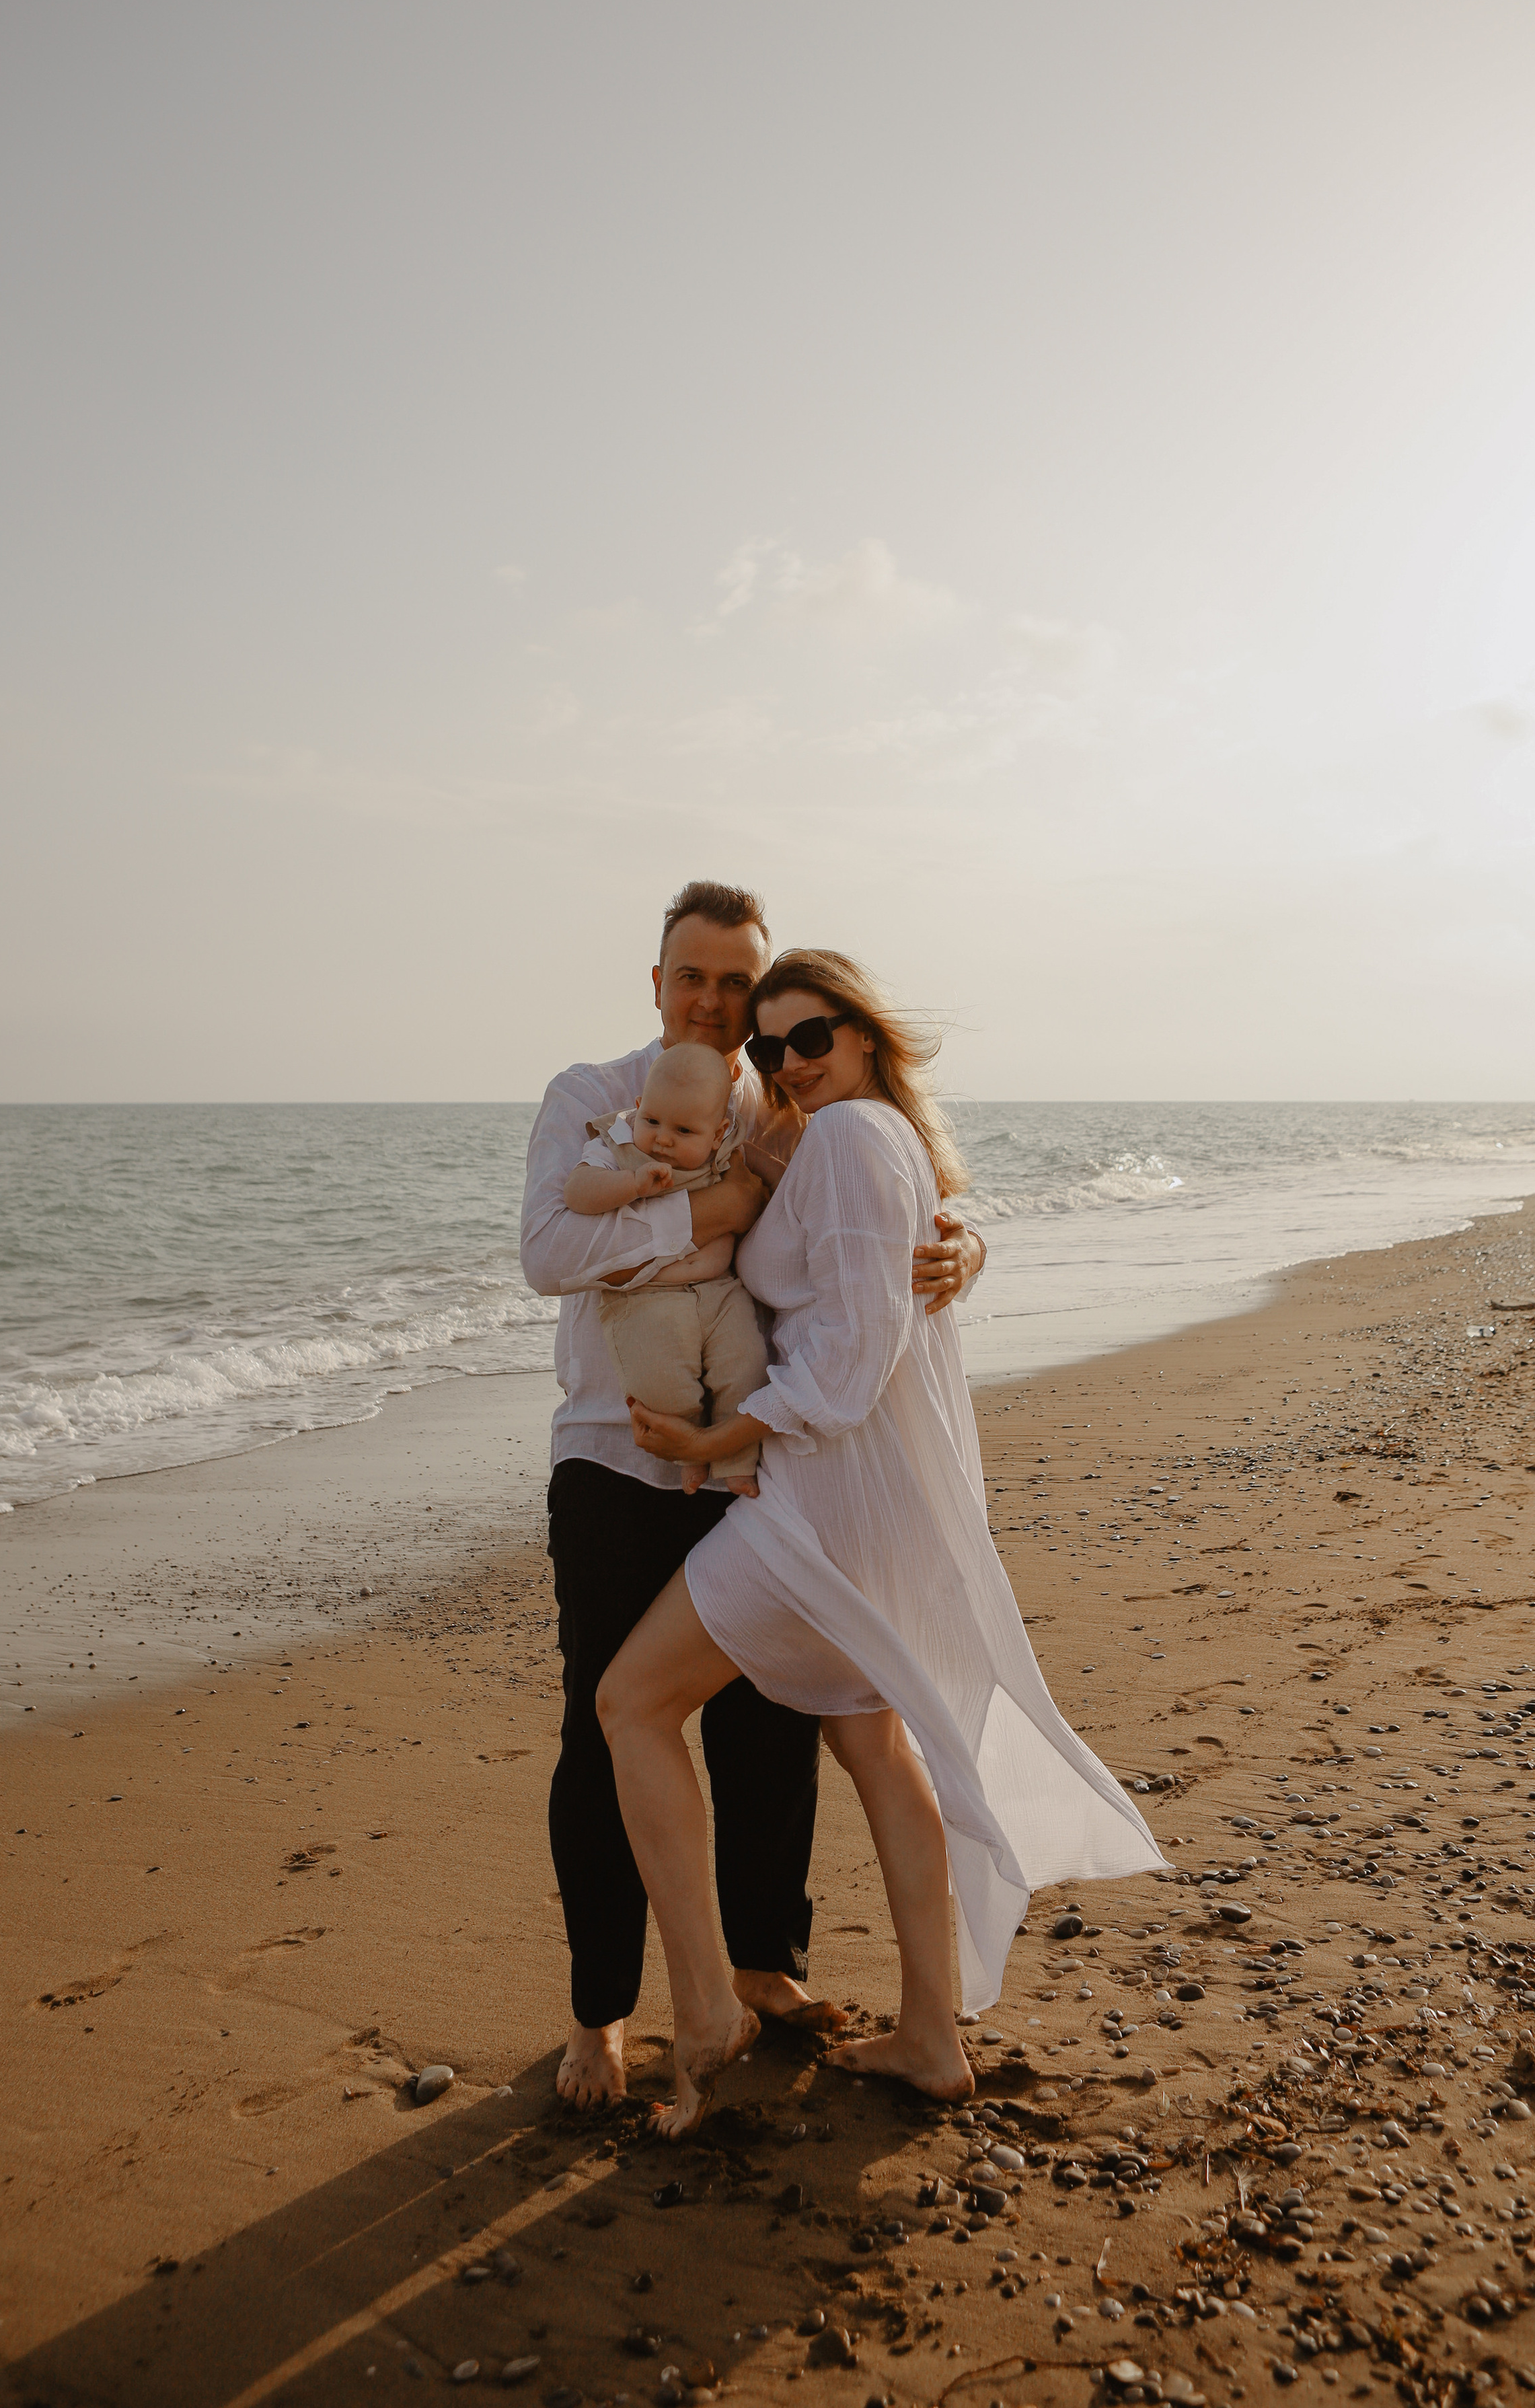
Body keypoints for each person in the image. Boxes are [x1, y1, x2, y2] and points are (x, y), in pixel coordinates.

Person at [597, 949, 1166, 2134]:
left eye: (811, 1039)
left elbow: (849, 1363)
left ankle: (708, 2011)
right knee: (877, 1747)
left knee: (631, 1703)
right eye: (769, 1048)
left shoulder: (855, 1141)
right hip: (864, 1508)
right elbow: (880, 1288)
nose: (789, 1063)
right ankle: (931, 2038)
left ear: (861, 1035)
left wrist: (716, 1444)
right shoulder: (863, 1141)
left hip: (819, 1511)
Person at [519, 884, 985, 2110]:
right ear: (657, 980)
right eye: (698, 978)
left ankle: (759, 1967)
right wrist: (722, 1206)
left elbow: (881, 1231)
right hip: (615, 1458)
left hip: (756, 1459)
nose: (722, 1008)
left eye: (744, 987)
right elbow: (549, 1257)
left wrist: (967, 1249)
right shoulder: (592, 1098)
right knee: (604, 1732)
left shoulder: (793, 1107)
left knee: (773, 1730)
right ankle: (601, 2016)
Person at [562, 1041, 767, 1494]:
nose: (663, 1139)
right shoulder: (616, 1143)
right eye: (652, 1121)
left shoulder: (730, 1152)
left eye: (685, 1130)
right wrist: (629, 1183)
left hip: (721, 1292)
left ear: (719, 1133)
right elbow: (577, 1191)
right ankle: (686, 1458)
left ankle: (735, 1460)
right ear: (638, 1107)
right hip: (645, 1298)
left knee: (747, 1365)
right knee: (660, 1385)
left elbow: (781, 1178)